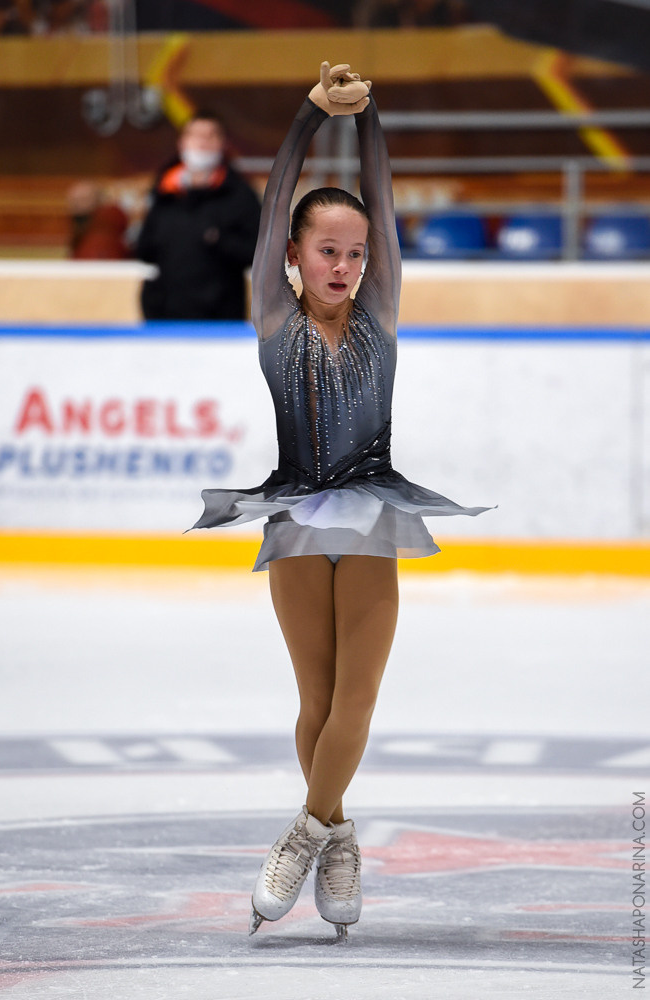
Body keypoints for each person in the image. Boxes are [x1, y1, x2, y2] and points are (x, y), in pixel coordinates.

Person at [191, 62, 491, 939]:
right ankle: (343, 830)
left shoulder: (381, 314)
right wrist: (306, 116)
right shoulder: (272, 318)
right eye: (329, 249)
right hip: (292, 512)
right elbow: (277, 195)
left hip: (369, 509)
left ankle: (307, 832)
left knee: (356, 698)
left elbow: (385, 208)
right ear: (292, 256)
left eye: (357, 253)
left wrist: (367, 122)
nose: (347, 265)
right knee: (314, 702)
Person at [136, 110, 261, 320]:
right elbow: (145, 248)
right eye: (195, 135)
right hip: (166, 315)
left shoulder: (239, 193)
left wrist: (219, 240)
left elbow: (256, 252)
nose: (202, 142)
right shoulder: (164, 190)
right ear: (182, 142)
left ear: (222, 143)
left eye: (210, 136)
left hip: (219, 317)